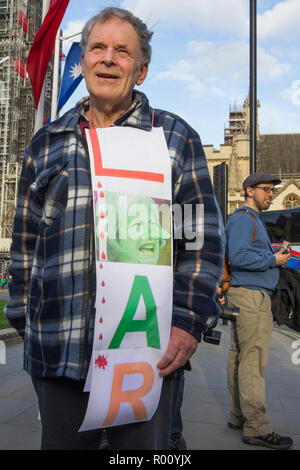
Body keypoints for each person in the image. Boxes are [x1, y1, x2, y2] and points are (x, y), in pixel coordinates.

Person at [5, 7, 223, 450]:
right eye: (97, 48)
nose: (108, 58)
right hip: (58, 349)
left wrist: (187, 322)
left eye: (123, 51)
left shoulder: (174, 138)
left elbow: (200, 239)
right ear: (82, 61)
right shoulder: (47, 143)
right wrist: (23, 318)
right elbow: (26, 242)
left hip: (144, 356)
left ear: (141, 70)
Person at [225, 172, 293, 450]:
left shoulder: (248, 220)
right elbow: (238, 255)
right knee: (253, 361)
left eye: (272, 191)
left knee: (240, 357)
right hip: (251, 297)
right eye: (266, 189)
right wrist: (273, 260)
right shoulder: (244, 218)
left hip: (245, 295)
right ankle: (257, 427)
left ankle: (239, 415)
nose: (270, 195)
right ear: (249, 191)